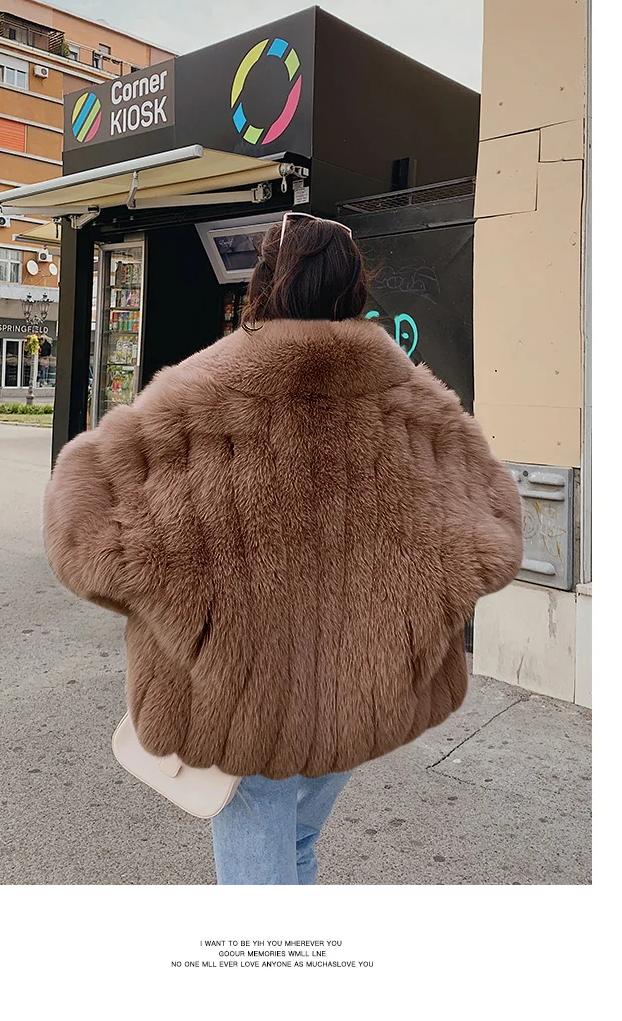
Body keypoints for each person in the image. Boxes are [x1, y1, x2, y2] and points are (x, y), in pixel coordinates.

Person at [43, 211, 523, 886]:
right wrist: (411, 609)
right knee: (297, 841)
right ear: (356, 287)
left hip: (241, 701)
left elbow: (83, 522)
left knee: (258, 868)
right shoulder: (417, 403)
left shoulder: (202, 391)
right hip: (362, 692)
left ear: (263, 283)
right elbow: (494, 532)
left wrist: (185, 614)